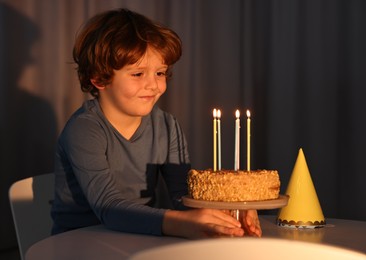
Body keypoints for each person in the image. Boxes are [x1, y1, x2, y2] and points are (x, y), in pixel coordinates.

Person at [51, 8, 261, 239]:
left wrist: (226, 213)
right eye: (138, 74)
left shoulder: (167, 125)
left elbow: (183, 196)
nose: (153, 85)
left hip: (138, 239)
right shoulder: (85, 129)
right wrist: (181, 224)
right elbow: (108, 206)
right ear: (99, 78)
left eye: (160, 73)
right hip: (80, 243)